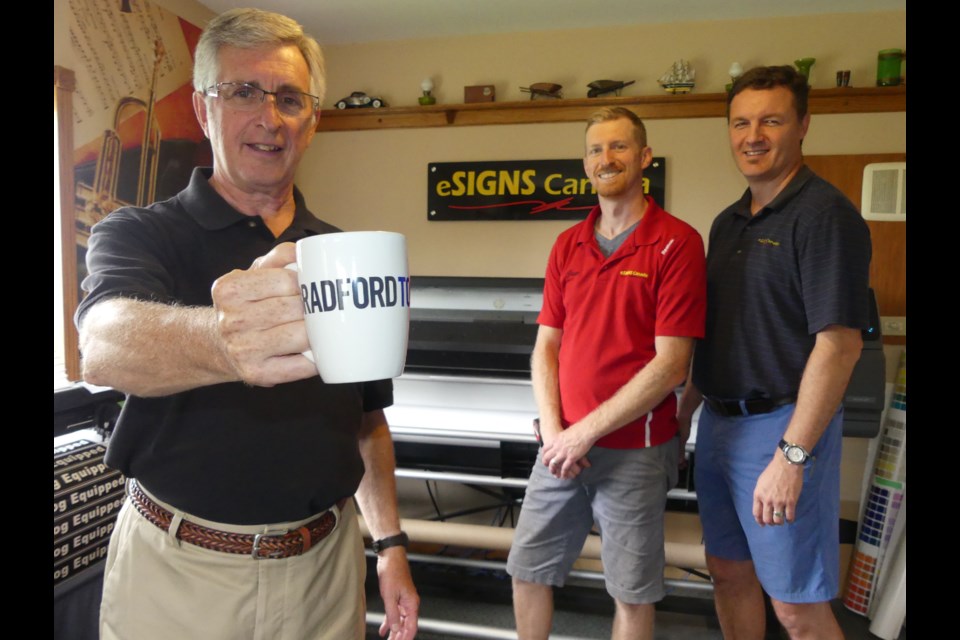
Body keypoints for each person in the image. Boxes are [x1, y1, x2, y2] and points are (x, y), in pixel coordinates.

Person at [76, 9, 418, 640]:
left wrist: (390, 546)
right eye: (242, 93)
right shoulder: (138, 233)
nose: (269, 117)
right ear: (205, 112)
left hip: (328, 571)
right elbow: (102, 342)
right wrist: (219, 339)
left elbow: (366, 420)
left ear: (311, 122)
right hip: (181, 574)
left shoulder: (344, 254)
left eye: (289, 98)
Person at [677, 65, 871, 640]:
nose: (753, 135)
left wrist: (791, 458)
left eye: (771, 120)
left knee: (794, 604)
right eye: (740, 122)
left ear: (804, 125)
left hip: (782, 429)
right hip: (719, 424)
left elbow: (839, 346)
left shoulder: (825, 216)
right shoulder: (728, 221)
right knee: (729, 574)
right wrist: (685, 411)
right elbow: (719, 331)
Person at [506, 107, 706, 640]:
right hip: (561, 448)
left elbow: (671, 365)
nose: (606, 158)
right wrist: (553, 430)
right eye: (596, 149)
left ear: (644, 158)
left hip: (634, 452)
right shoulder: (568, 245)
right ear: (586, 164)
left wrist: (582, 432)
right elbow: (546, 345)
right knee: (527, 571)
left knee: (630, 591)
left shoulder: (676, 243)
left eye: (619, 147)